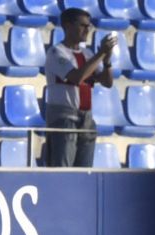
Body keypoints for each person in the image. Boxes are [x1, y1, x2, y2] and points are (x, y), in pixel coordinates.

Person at [45, 8, 116, 167]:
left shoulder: (88, 53)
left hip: (86, 118)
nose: (87, 29)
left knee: (84, 171)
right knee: (62, 169)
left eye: (89, 25)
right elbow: (77, 77)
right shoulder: (57, 53)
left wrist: (107, 61)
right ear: (67, 26)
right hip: (64, 117)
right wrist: (100, 54)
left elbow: (107, 82)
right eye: (83, 25)